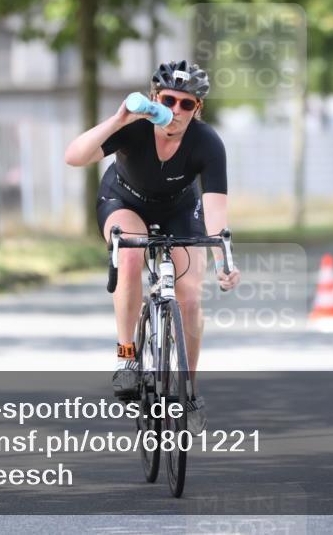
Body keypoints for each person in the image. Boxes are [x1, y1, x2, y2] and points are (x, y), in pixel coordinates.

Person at [64, 60, 241, 432]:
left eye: (186, 104)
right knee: (130, 253)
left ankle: (189, 392)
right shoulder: (135, 129)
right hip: (124, 203)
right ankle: (127, 355)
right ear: (154, 98)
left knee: (190, 297)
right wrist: (118, 120)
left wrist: (224, 260)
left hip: (179, 209)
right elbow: (74, 157)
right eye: (168, 100)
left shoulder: (207, 143)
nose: (175, 111)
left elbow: (215, 215)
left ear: (198, 109)